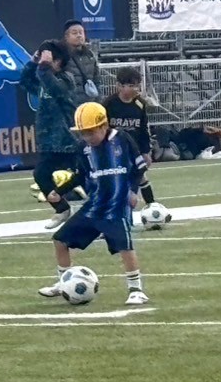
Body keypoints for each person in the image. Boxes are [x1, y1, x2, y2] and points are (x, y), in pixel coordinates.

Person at [38, 102, 149, 306]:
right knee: (60, 240)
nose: (87, 137)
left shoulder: (122, 139)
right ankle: (63, 282)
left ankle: (136, 289)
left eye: (91, 132)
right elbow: (81, 175)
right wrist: (59, 191)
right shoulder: (83, 148)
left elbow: (139, 168)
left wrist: (133, 191)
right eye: (83, 133)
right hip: (93, 206)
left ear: (104, 125)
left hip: (116, 206)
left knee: (124, 246)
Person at [19, 40, 85, 229]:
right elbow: (25, 81)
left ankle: (104, 213)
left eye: (49, 60)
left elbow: (54, 88)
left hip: (68, 141)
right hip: (49, 142)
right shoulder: (43, 80)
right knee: (41, 174)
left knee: (86, 176)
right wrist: (34, 62)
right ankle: (61, 208)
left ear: (59, 61)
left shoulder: (66, 80)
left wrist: (43, 67)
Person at [105, 66, 159, 205]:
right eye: (130, 86)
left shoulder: (140, 104)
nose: (135, 89)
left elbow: (143, 129)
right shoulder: (109, 104)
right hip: (114, 149)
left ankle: (152, 205)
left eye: (137, 85)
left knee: (141, 176)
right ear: (119, 86)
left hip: (133, 149)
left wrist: (146, 151)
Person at [62, 19, 102, 102]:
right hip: (70, 105)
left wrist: (98, 101)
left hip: (89, 104)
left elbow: (97, 81)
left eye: (81, 32)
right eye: (74, 33)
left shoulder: (90, 55)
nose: (79, 35)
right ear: (66, 36)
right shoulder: (61, 56)